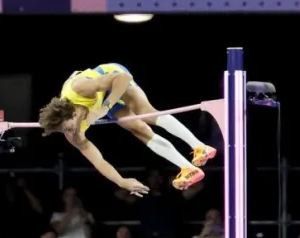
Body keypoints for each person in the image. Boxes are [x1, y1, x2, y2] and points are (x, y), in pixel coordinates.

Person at [37, 63, 216, 192]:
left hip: (113, 77)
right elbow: (98, 161)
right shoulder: (74, 134)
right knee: (139, 129)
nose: (71, 133)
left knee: (146, 112)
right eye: (65, 132)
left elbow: (124, 78)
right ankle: (188, 168)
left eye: (68, 128)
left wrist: (106, 106)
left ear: (73, 114)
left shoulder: (79, 88)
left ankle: (199, 146)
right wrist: (121, 181)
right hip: (102, 100)